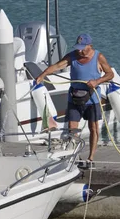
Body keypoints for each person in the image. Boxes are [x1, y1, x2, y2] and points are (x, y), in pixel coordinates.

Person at [35, 33, 114, 166]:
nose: (79, 50)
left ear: (90, 46)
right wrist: (43, 75)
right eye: (78, 47)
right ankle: (74, 157)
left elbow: (110, 74)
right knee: (72, 129)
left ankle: (90, 159)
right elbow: (57, 66)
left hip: (92, 99)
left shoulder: (98, 57)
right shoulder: (72, 56)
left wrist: (97, 81)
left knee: (93, 128)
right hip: (74, 98)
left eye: (83, 48)